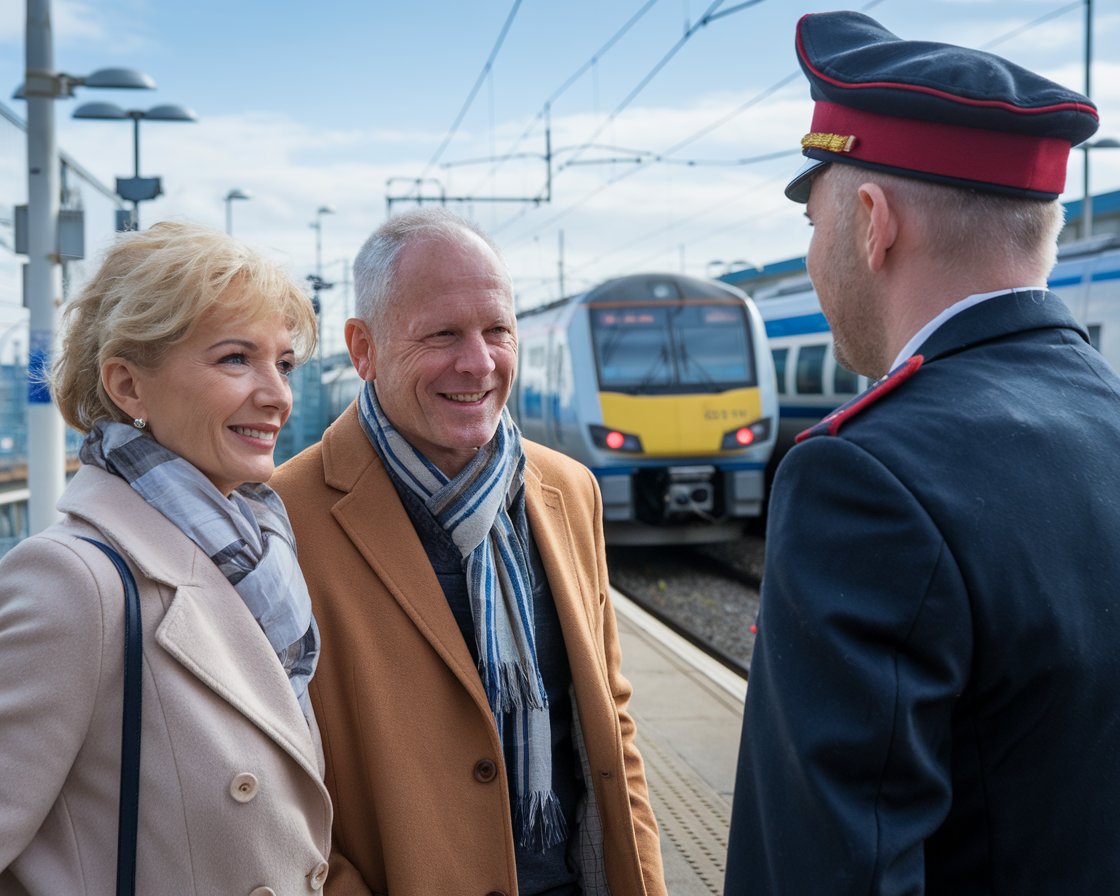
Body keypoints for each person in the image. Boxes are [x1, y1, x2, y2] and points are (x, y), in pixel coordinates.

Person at [724, 10, 1120, 895]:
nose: (815, 255)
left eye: (816, 221)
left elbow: (830, 870)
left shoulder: (865, 478)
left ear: (873, 222)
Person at [272, 207, 666, 896]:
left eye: (497, 331)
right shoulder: (286, 518)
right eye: (443, 334)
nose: (479, 363)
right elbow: (275, 791)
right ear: (362, 348)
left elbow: (612, 725)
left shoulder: (568, 490)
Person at [0, 221, 336, 893]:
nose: (277, 395)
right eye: (236, 359)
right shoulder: (76, 581)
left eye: (284, 362)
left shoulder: (259, 554)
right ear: (128, 386)